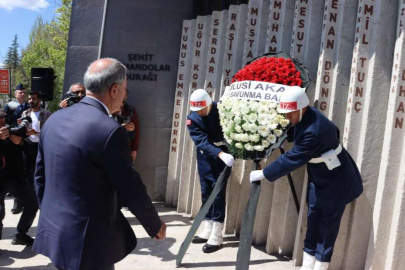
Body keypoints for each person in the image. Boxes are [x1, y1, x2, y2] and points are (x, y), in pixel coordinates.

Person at [33, 58, 167, 270]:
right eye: (124, 89)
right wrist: (154, 224)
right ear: (115, 89)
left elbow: (40, 176)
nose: (124, 94)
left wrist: (50, 214)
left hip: (55, 230)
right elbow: (130, 187)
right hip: (88, 242)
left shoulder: (54, 120)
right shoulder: (110, 131)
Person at [249, 88, 363, 270]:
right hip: (320, 176)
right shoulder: (308, 115)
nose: (288, 118)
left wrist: (264, 173)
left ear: (302, 107)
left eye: (290, 113)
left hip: (337, 181)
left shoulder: (314, 131)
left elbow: (292, 158)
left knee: (327, 226)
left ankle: (320, 266)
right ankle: (308, 264)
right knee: (313, 219)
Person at [187, 89, 235, 253]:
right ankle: (207, 226)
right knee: (206, 192)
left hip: (223, 158)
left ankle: (217, 233)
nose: (200, 112)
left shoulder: (222, 109)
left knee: (218, 194)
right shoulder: (192, 119)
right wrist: (219, 154)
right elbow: (201, 141)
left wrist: (229, 149)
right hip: (206, 158)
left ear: (209, 104)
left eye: (202, 108)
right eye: (197, 110)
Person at [0, 110, 39, 250]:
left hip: (15, 178)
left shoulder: (10, 129)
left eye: (3, 118)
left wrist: (19, 142)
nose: (2, 122)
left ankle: (20, 235)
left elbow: (24, 147)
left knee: (32, 204)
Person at [3, 83, 29, 215]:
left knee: (24, 171)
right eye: (20, 92)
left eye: (24, 92)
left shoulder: (29, 106)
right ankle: (17, 202)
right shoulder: (9, 106)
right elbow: (4, 121)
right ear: (15, 94)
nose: (22, 94)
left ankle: (23, 200)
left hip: (25, 141)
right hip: (12, 140)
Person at [21, 92, 51, 188]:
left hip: (40, 145)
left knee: (39, 170)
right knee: (25, 170)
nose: (31, 101)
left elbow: (49, 131)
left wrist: (35, 133)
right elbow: (22, 130)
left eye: (33, 99)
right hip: (27, 144)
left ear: (39, 100)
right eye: (29, 99)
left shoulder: (46, 114)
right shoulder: (25, 113)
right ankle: (27, 194)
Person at [112, 87, 139, 162]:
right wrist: (120, 127)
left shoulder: (131, 111)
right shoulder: (109, 109)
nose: (122, 95)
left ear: (126, 96)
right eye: (120, 93)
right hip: (111, 148)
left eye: (124, 94)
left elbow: (136, 132)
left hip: (126, 149)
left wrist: (134, 150)